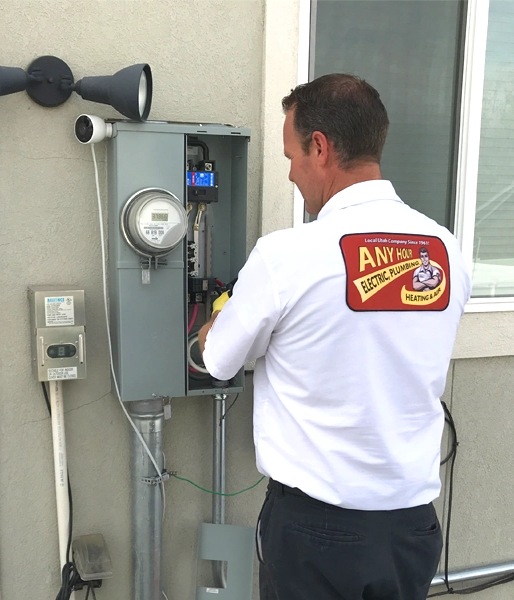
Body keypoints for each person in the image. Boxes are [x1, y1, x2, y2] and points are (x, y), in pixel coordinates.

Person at [199, 74, 471, 600]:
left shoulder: (286, 256)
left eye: (291, 156)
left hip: (315, 531)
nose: (291, 174)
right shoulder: (445, 250)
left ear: (320, 147)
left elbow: (219, 361)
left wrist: (215, 325)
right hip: (409, 527)